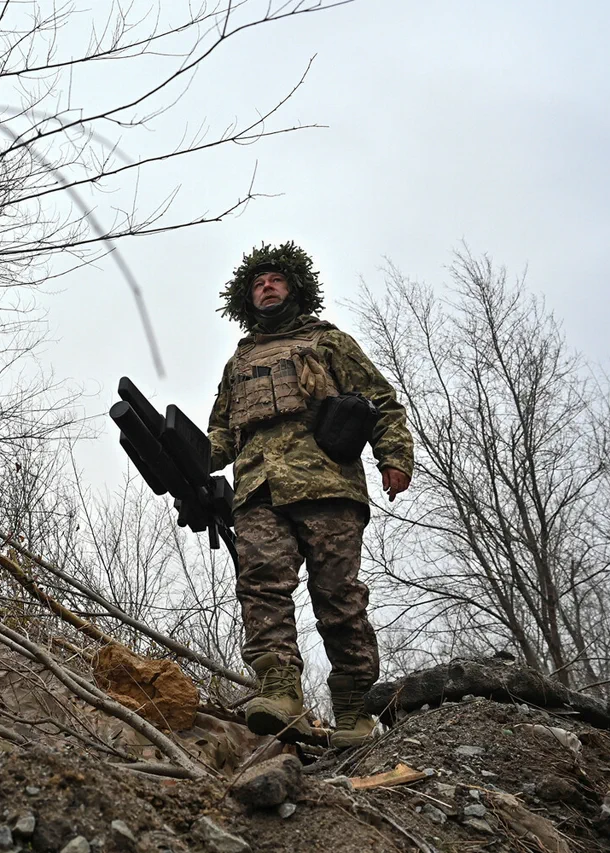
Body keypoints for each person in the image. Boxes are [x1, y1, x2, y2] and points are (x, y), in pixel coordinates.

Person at [207, 241, 413, 747]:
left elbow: (382, 402)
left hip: (326, 483)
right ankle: (279, 691)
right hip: (258, 488)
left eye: (274, 280)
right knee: (261, 587)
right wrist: (187, 461)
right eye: (257, 284)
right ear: (246, 298)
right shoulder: (240, 361)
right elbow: (220, 432)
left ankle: (352, 710)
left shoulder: (329, 343)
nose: (266, 288)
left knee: (337, 597)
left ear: (294, 287)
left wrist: (395, 457)